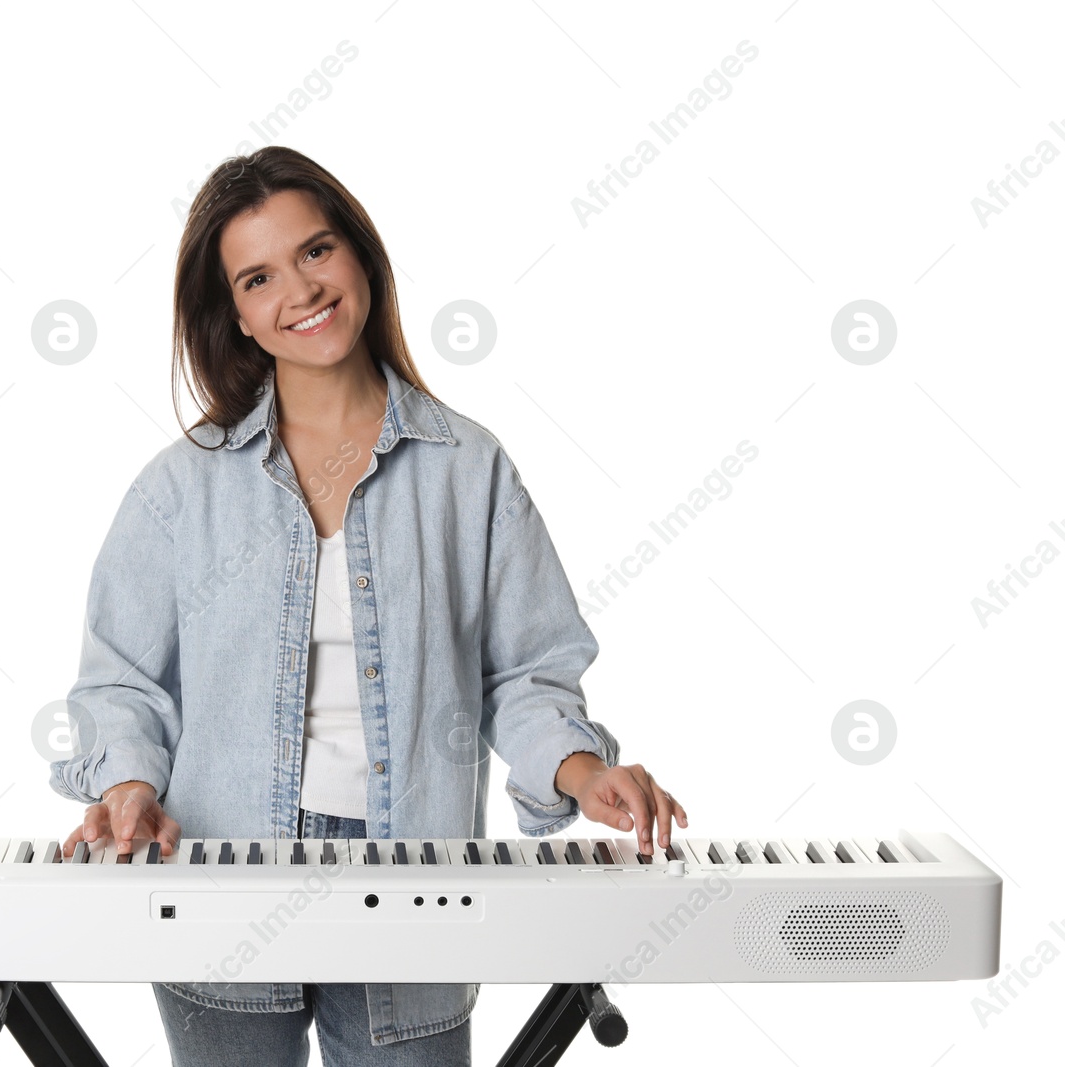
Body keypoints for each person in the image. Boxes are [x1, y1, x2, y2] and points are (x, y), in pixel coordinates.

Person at [49, 146, 688, 1067]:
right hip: (222, 870)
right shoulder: (180, 487)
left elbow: (526, 672)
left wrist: (585, 773)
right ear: (235, 312)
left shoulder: (470, 470)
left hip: (417, 870)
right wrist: (129, 790)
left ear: (359, 256)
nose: (299, 290)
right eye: (259, 276)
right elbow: (122, 683)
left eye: (315, 251)